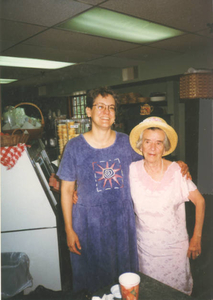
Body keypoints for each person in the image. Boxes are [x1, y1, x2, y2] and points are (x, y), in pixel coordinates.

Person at [57, 87, 190, 294]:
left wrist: (177, 164)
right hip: (87, 225)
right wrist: (68, 229)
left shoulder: (126, 143)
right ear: (88, 111)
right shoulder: (74, 147)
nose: (106, 112)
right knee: (91, 284)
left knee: (125, 283)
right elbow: (66, 190)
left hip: (122, 225)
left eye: (111, 108)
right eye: (100, 107)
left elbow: (152, 159)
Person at [129, 117, 205, 295]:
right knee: (150, 293)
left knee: (175, 293)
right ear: (141, 146)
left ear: (165, 148)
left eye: (158, 143)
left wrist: (196, 238)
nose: (153, 148)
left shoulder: (178, 172)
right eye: (147, 142)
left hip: (175, 251)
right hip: (146, 250)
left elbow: (200, 201)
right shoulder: (131, 170)